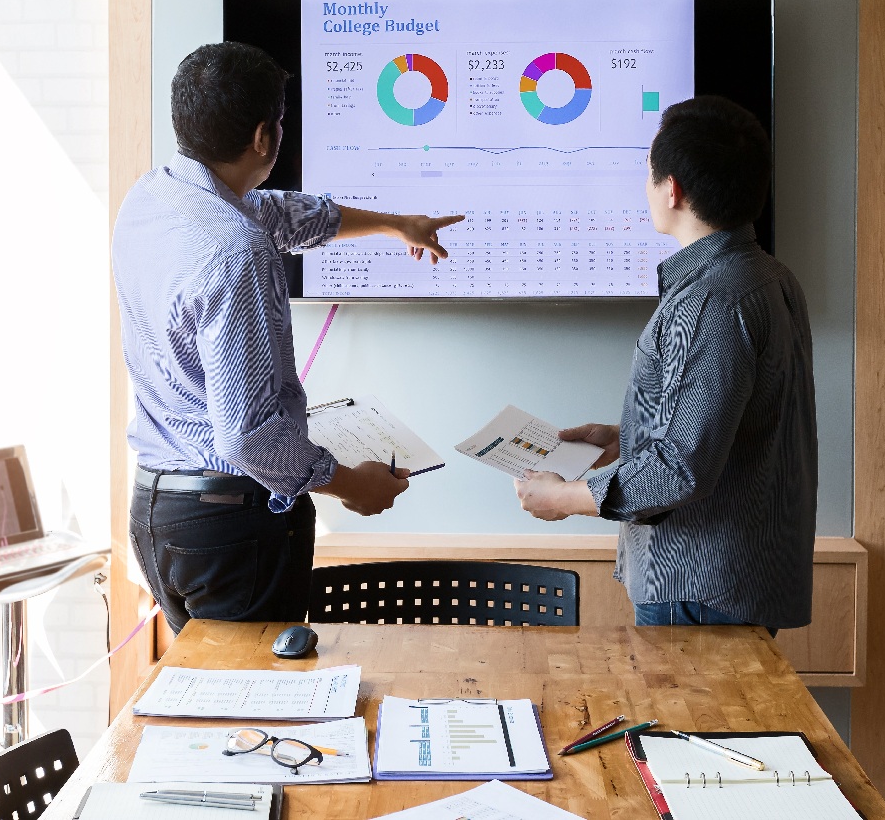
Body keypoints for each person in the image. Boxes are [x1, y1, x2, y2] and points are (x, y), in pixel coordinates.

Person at [114, 41, 463, 631]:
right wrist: (354, 485)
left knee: (221, 704)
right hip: (232, 524)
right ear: (261, 138)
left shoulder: (154, 197)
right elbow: (248, 440)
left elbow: (275, 210)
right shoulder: (236, 250)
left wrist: (392, 224)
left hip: (160, 512)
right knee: (257, 708)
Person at [514, 95, 817, 633]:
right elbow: (736, 426)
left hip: (696, 588)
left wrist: (561, 498)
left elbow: (679, 471)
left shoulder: (714, 301)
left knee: (691, 721)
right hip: (729, 583)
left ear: (671, 188)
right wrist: (624, 435)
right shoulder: (770, 278)